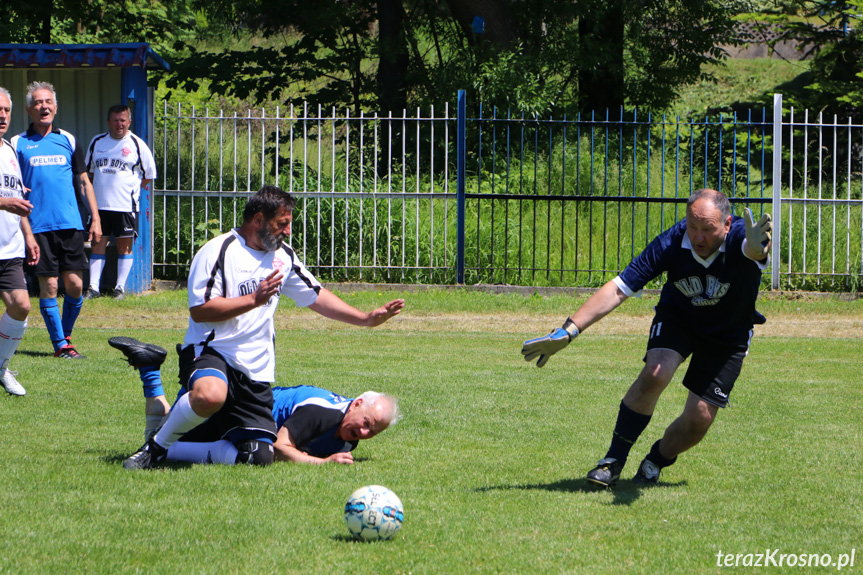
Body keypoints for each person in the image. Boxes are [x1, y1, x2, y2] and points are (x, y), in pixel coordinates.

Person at [122, 185, 404, 469]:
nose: (288, 232)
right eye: (282, 224)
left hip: (255, 373)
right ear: (258, 220)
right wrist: (254, 299)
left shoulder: (283, 256)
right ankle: (155, 450)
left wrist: (366, 319)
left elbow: (315, 296)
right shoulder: (218, 251)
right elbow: (200, 310)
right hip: (213, 352)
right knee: (211, 394)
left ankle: (165, 442)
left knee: (259, 457)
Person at [521, 188, 772, 487]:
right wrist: (570, 330)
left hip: (727, 335)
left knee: (699, 419)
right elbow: (619, 288)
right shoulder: (671, 242)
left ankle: (657, 459)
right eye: (693, 226)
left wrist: (757, 250)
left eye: (708, 228)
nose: (698, 237)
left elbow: (752, 250)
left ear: (727, 224)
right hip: (680, 320)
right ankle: (612, 461)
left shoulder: (745, 235)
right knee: (655, 372)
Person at [109, 336, 401, 465]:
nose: (364, 433)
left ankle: (149, 371)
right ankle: (156, 445)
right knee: (257, 456)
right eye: (366, 424)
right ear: (357, 403)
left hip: (234, 415)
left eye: (372, 432)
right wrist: (323, 464)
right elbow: (281, 448)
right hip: (235, 409)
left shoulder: (349, 438)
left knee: (163, 430)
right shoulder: (322, 413)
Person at [10, 81, 102, 359]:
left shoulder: (69, 140)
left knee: (75, 285)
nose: (43, 106)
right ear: (29, 109)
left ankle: (65, 335)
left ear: (56, 107)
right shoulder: (17, 144)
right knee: (48, 285)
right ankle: (61, 345)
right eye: (37, 102)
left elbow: (84, 182)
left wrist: (95, 218)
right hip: (37, 226)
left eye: (48, 101)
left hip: (70, 224)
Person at [84, 104, 157, 300]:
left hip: (125, 206)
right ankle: (93, 288)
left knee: (125, 246)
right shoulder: (97, 142)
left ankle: (119, 288)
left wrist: (130, 189)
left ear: (129, 122)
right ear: (109, 122)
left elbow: (149, 175)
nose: (119, 124)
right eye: (115, 120)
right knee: (98, 244)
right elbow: (89, 173)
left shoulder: (137, 144)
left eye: (123, 120)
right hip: (99, 207)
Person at [0, 87, 40, 395]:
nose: (2, 115)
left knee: (21, 306)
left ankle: (1, 367)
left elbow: (17, 199)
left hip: (9, 248)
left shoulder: (10, 150)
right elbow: (7, 201)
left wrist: (28, 236)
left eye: (5, 110)